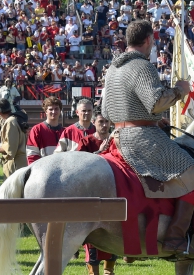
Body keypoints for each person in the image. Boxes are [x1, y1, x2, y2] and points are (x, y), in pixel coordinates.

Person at [101, 21, 194, 258]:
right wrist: (180, 90)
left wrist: (150, 118)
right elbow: (156, 102)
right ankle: (174, 239)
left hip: (116, 137)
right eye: (153, 41)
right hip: (140, 138)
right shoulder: (142, 66)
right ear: (149, 39)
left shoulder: (113, 68)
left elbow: (105, 111)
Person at [78, 110, 118, 275]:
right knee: (93, 234)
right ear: (94, 122)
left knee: (114, 230)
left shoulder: (116, 141)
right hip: (92, 194)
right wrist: (98, 152)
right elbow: (78, 165)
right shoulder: (86, 141)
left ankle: (110, 270)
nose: (104, 125)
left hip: (113, 192)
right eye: (101, 121)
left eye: (107, 122)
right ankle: (93, 272)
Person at [0, 98, 27, 178]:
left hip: (15, 164)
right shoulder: (13, 118)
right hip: (18, 163)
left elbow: (10, 148)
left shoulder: (10, 122)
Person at [26, 96, 64, 164]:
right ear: (46, 111)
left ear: (60, 110)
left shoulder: (65, 132)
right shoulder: (37, 130)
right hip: (43, 171)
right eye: (51, 109)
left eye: (56, 109)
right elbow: (32, 154)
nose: (54, 111)